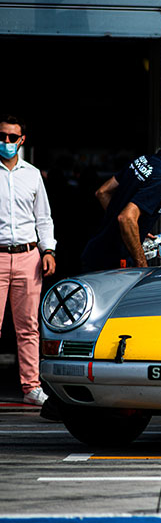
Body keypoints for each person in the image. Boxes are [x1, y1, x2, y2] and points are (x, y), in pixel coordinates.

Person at [80, 115, 161, 271]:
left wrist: (134, 231)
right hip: (112, 264)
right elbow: (126, 218)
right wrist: (142, 265)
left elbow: (102, 192)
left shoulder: (144, 160)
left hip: (96, 252)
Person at [0, 115, 56, 411]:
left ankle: (31, 387)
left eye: (12, 137)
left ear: (22, 140)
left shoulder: (32, 175)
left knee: (29, 327)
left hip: (28, 256)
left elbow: (43, 218)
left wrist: (49, 251)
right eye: (2, 136)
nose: (7, 142)